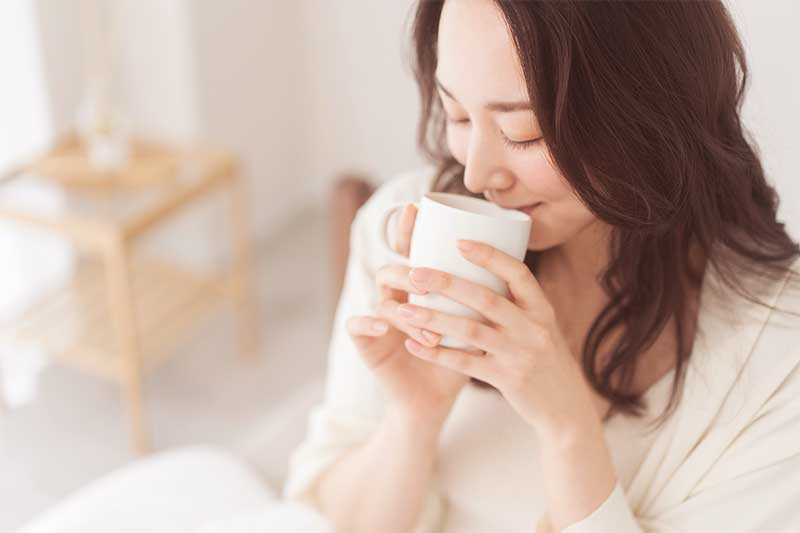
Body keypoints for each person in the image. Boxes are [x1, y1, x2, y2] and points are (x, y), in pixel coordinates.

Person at [283, 1, 800, 532]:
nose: (479, 173)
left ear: (650, 111)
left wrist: (567, 430)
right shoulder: (409, 231)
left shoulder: (778, 357)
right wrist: (414, 417)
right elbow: (335, 518)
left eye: (524, 132)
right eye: (458, 114)